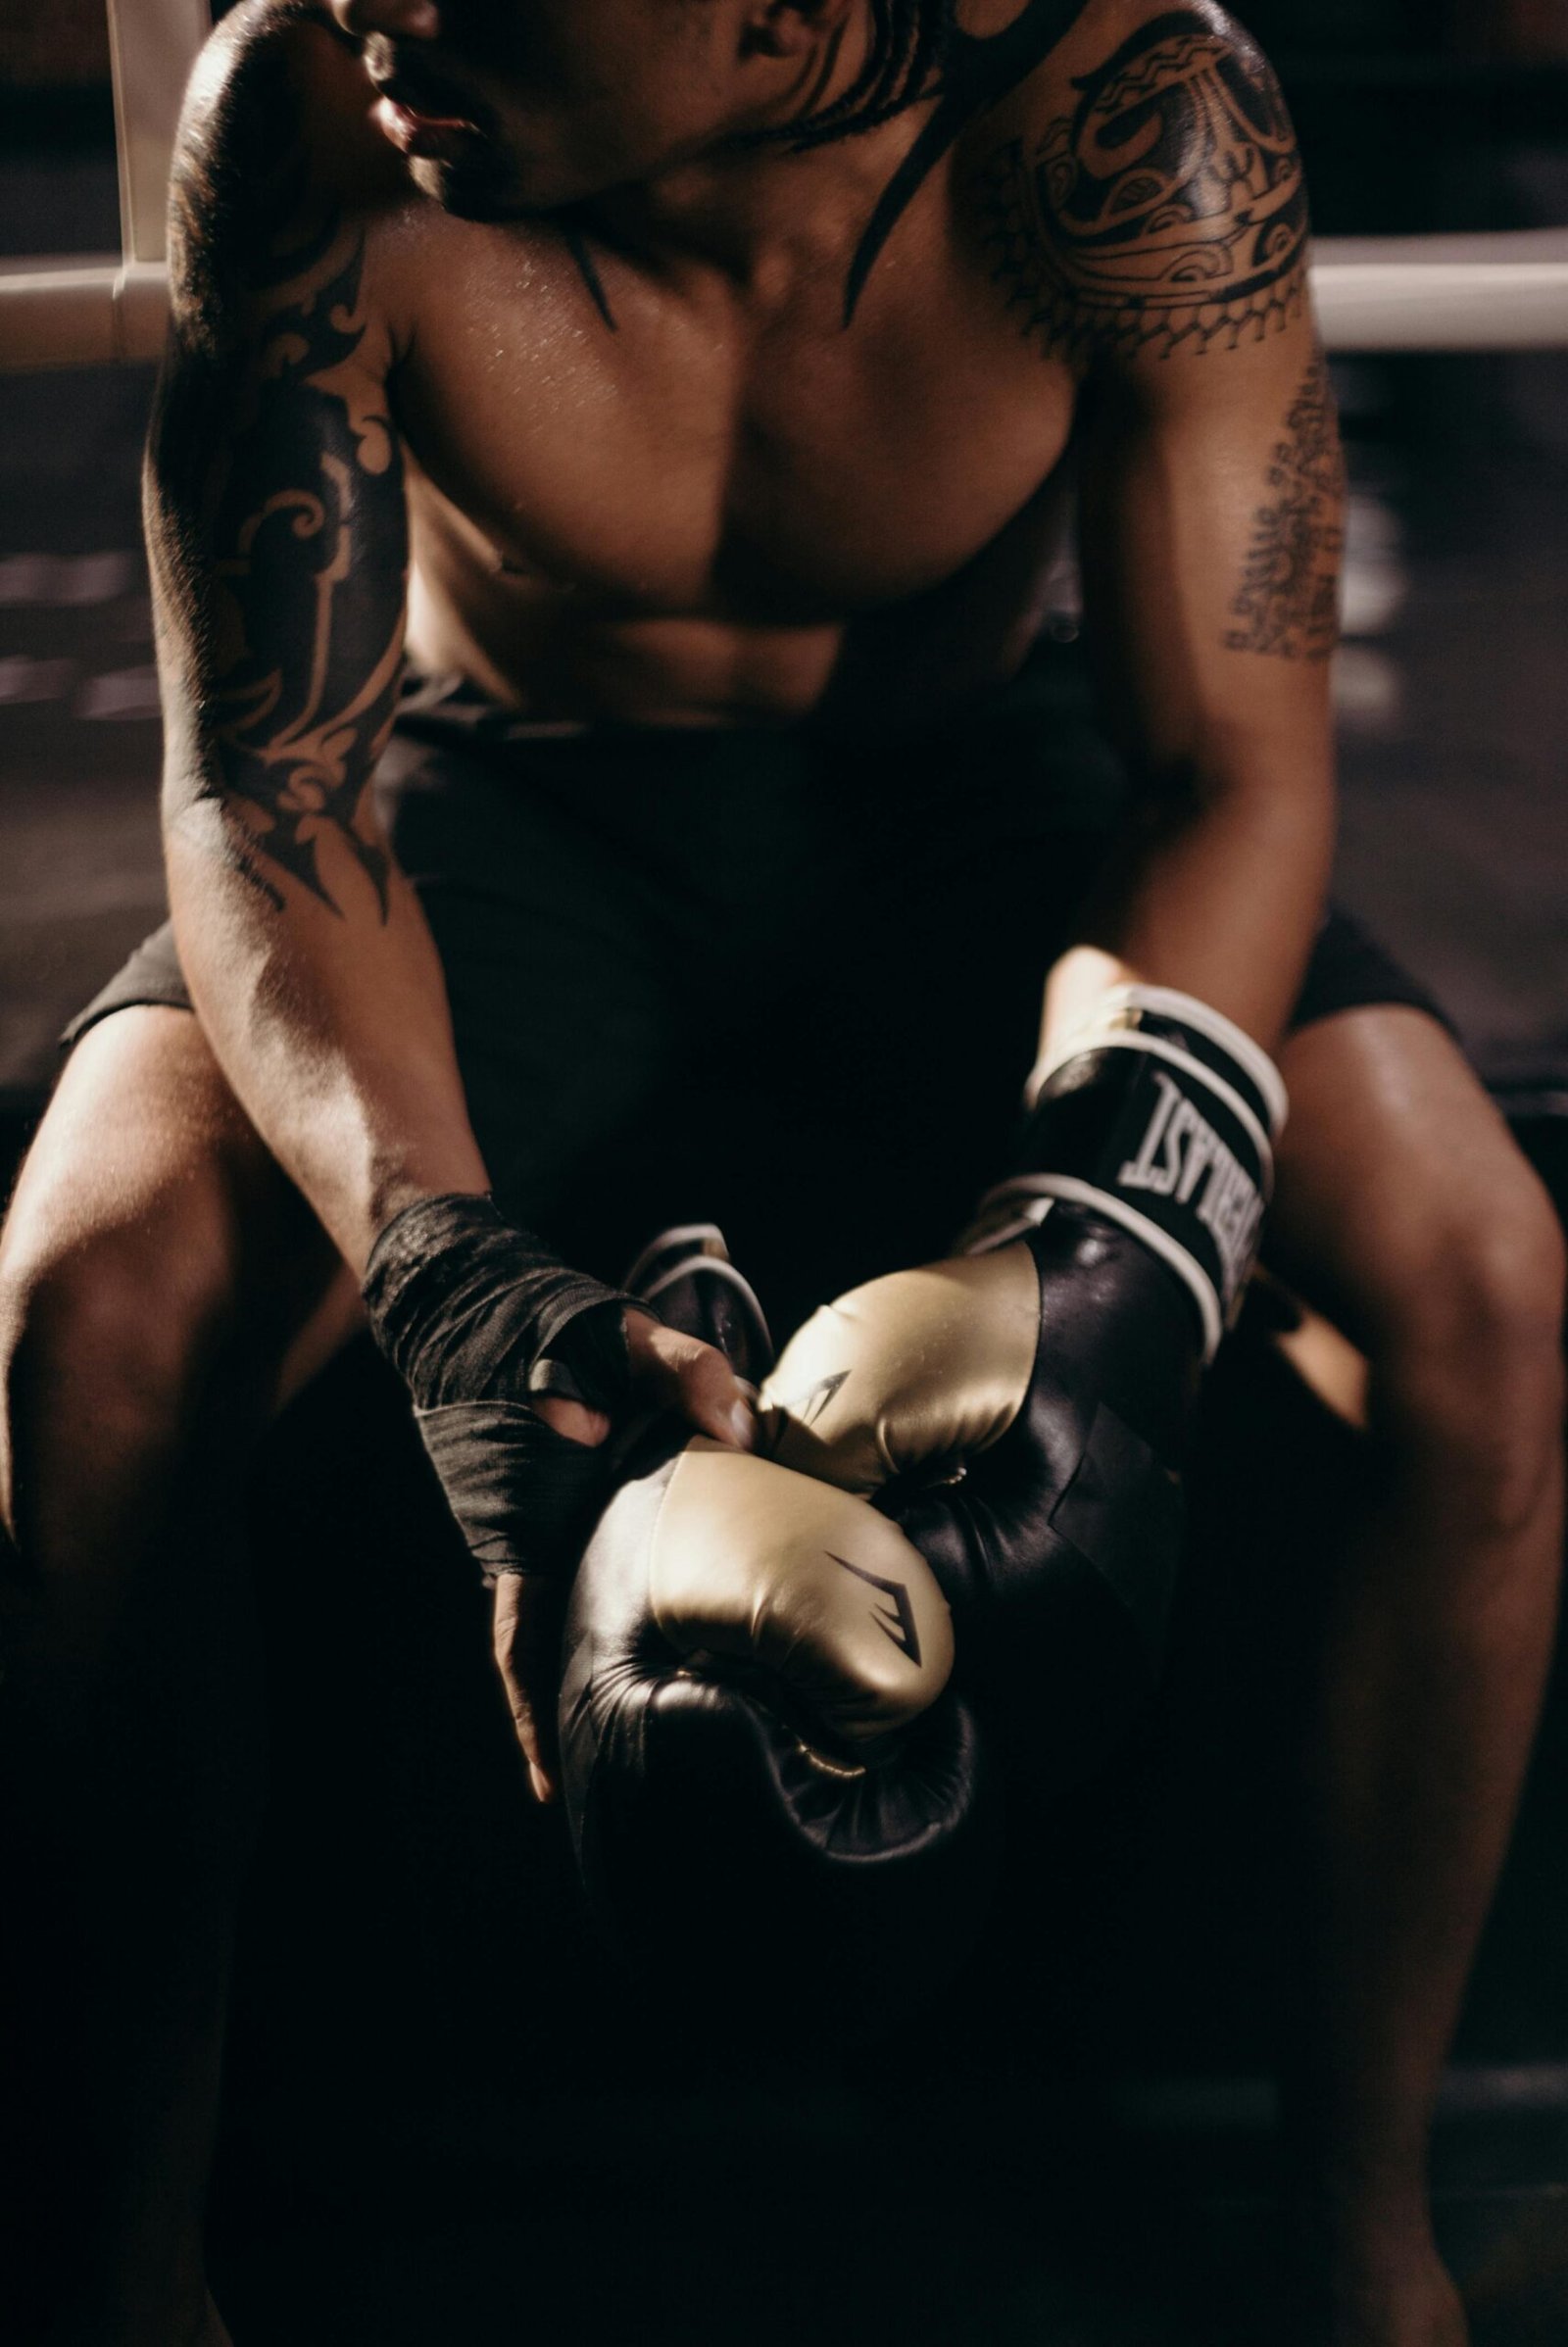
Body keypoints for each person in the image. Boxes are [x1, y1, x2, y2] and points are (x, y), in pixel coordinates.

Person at [0, 0, 1561, 2339]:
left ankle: (1363, 2237)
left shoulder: (1127, 118)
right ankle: (109, 2268)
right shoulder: (319, 115)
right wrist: (441, 1281)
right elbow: (261, 793)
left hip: (973, 805)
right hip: (482, 806)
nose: (373, 2)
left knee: (1480, 1284)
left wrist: (1104, 1228)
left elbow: (1226, 768)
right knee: (86, 1305)